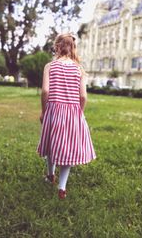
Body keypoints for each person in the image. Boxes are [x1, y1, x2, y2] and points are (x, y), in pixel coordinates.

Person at [37, 33, 96, 199]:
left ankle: (50, 175)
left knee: (51, 142)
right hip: (72, 112)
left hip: (54, 110)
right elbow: (83, 96)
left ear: (56, 47)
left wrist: (43, 111)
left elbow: (45, 91)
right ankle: (62, 188)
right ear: (73, 48)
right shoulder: (79, 69)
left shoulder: (50, 66)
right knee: (68, 149)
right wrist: (79, 113)